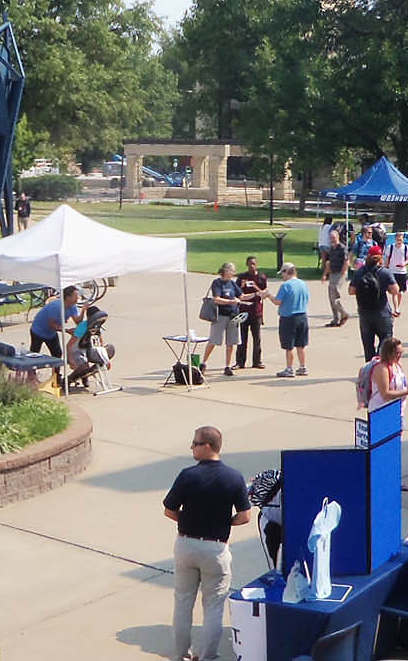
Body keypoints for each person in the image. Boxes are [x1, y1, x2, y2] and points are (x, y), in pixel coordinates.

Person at [162, 425, 251, 661]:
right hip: (216, 548)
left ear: (208, 446)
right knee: (213, 607)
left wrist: (189, 519)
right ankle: (208, 655)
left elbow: (169, 510)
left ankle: (181, 655)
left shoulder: (187, 475)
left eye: (195, 443)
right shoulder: (234, 477)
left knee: (182, 603)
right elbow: (245, 516)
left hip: (186, 545)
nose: (191, 447)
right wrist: (225, 522)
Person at [347, 247, 401, 361]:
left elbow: (351, 291)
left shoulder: (360, 273)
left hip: (364, 313)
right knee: (386, 340)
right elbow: (395, 290)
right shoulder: (384, 273)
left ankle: (369, 369)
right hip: (382, 312)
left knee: (368, 344)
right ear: (380, 257)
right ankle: (380, 364)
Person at [264, 262, 310, 378]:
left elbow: (277, 301)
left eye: (282, 274)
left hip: (289, 317)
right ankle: (303, 366)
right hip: (302, 316)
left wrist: (268, 295)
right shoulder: (303, 284)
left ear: (286, 272)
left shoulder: (286, 286)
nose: (282, 276)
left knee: (289, 346)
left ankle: (289, 368)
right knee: (301, 344)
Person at [203, 263, 244, 377]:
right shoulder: (217, 283)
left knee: (231, 342)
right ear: (226, 271)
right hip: (220, 315)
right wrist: (231, 301)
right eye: (232, 271)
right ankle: (203, 362)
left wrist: (256, 294)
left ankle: (227, 365)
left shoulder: (232, 283)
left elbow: (241, 296)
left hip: (232, 316)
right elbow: (216, 299)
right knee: (214, 340)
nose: (234, 273)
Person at [364, 337, 408, 412]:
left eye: (401, 352)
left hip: (397, 410)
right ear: (388, 353)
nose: (400, 355)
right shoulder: (382, 369)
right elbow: (385, 394)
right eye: (397, 353)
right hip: (381, 411)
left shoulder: (397, 365)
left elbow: (398, 386)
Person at [234, 256, 269, 370]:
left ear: (256, 264)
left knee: (257, 338)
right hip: (243, 311)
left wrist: (255, 287)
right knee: (242, 339)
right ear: (246, 264)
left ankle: (257, 361)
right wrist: (241, 286)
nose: (251, 266)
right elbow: (235, 293)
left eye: (253, 264)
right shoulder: (242, 277)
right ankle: (240, 362)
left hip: (256, 312)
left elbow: (265, 294)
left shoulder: (261, 277)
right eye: (249, 264)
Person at [28, 286, 82, 358]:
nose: (77, 298)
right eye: (75, 296)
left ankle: (55, 369)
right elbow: (52, 325)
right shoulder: (56, 307)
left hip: (51, 333)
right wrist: (67, 330)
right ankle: (31, 368)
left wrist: (84, 310)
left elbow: (77, 321)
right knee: (34, 355)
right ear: (68, 297)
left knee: (57, 354)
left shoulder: (72, 306)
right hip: (38, 331)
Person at [320, 230, 350, 327]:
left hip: (340, 274)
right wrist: (325, 274)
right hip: (332, 274)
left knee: (335, 296)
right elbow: (329, 263)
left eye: (334, 237)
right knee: (331, 296)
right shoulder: (331, 249)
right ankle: (336, 319)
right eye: (331, 238)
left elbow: (347, 261)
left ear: (337, 237)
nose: (332, 239)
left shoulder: (342, 248)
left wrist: (343, 272)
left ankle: (344, 314)